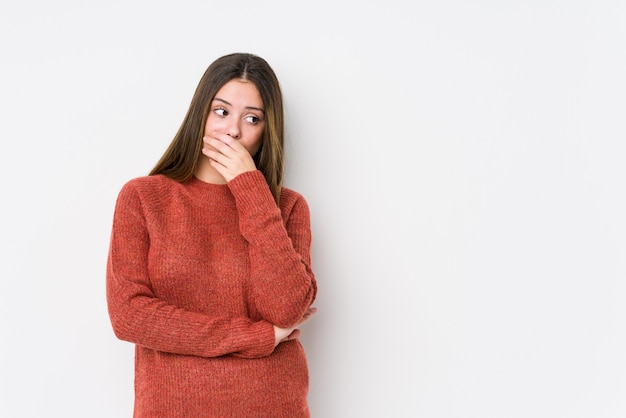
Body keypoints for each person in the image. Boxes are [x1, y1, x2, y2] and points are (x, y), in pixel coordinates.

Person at [106, 52, 318, 417]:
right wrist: (255, 337)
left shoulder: (287, 207)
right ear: (200, 114)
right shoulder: (143, 198)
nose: (233, 130)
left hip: (271, 405)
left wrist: (249, 187)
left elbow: (286, 308)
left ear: (267, 132)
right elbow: (129, 316)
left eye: (252, 119)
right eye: (221, 112)